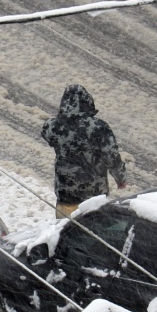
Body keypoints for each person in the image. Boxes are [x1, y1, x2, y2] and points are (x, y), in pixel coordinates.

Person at [40, 85, 127, 218]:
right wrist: (120, 178)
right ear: (88, 102)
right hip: (94, 192)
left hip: (66, 192)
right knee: (93, 227)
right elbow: (112, 156)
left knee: (66, 229)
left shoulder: (53, 126)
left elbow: (47, 135)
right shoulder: (99, 127)